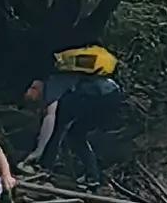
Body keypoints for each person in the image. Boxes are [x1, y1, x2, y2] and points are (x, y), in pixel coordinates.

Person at [24, 48, 128, 187]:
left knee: (58, 124)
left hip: (95, 96)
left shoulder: (53, 83)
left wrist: (38, 151)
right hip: (113, 94)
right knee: (76, 134)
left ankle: (43, 167)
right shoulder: (71, 76)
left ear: (36, 86)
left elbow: (51, 119)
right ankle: (92, 177)